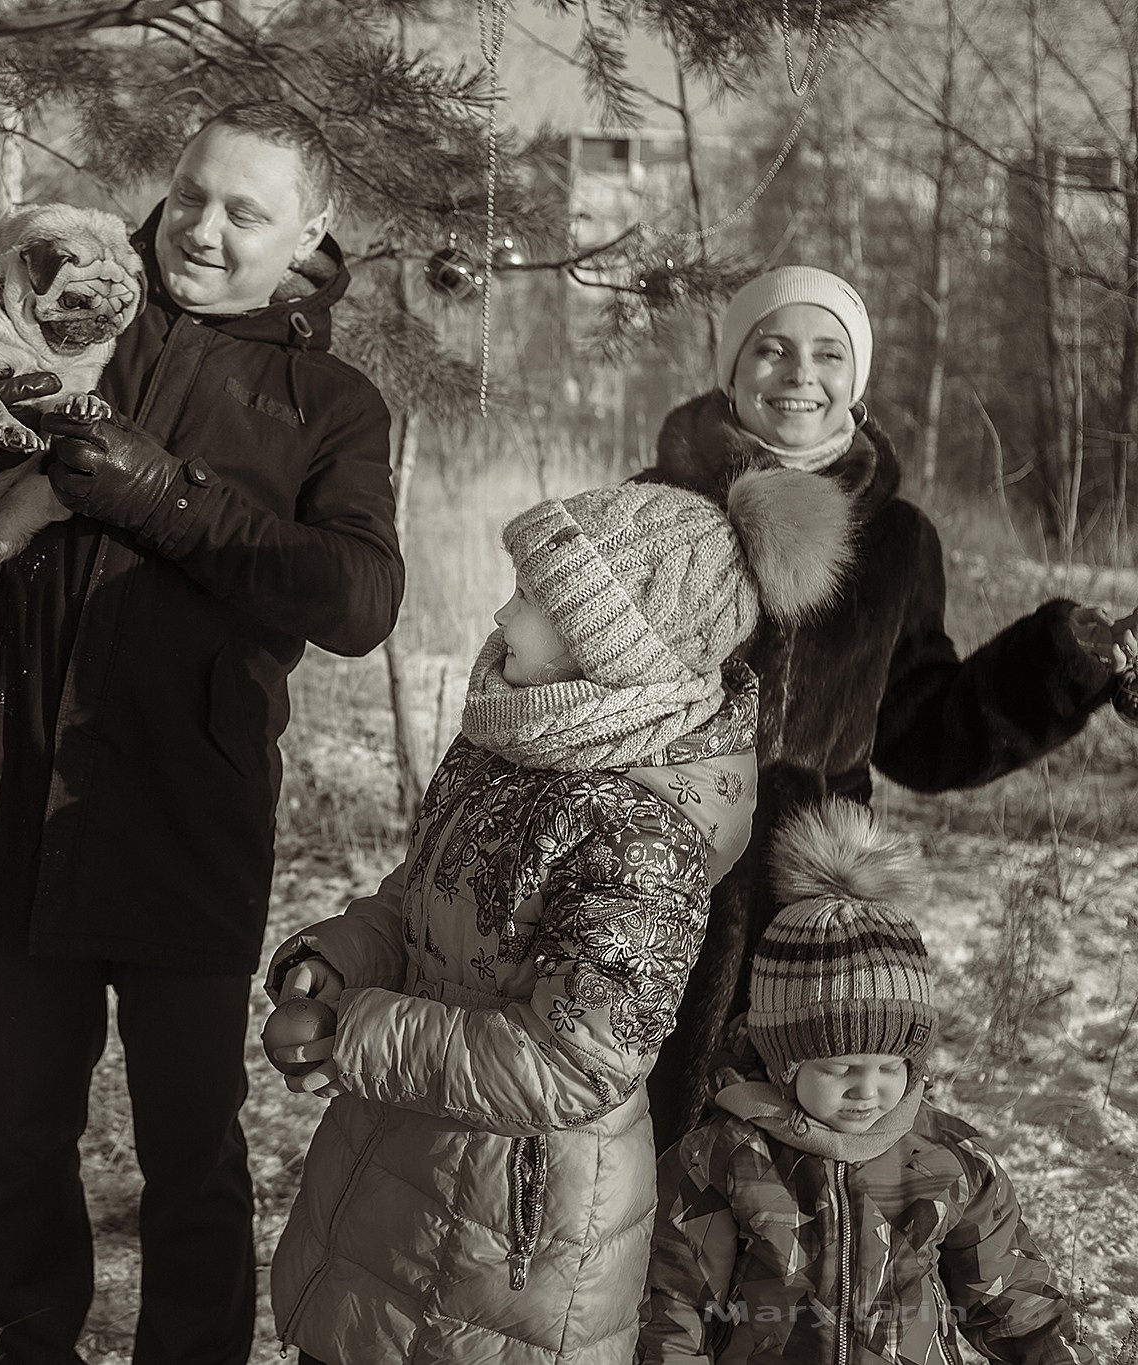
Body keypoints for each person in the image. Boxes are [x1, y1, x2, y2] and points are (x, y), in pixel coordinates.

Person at [0, 101, 403, 1364]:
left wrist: (159, 493)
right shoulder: (69, 290)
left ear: (308, 232)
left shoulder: (326, 401)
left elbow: (360, 601)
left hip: (178, 809)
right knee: (17, 1121)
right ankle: (23, 1342)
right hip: (7, 781)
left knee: (188, 1136)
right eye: (191, 194)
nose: (200, 229)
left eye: (244, 213)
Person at [264, 468, 851, 1365]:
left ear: (608, 646)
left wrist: (358, 1032)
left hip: (509, 1240)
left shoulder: (643, 834)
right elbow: (426, 894)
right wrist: (343, 959)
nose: (502, 616)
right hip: (401, 1164)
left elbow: (572, 1061)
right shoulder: (513, 741)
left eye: (531, 596)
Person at [639, 265, 1138, 1148]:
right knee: (628, 1172)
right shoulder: (653, 509)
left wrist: (1063, 664)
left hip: (811, 908)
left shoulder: (899, 540)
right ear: (732, 367)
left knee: (787, 1180)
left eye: (829, 353)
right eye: (773, 348)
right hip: (644, 880)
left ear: (856, 383)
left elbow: (923, 731)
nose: (800, 374)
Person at [641, 799, 1094, 1365]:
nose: (868, 1090)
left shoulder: (946, 1161)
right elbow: (676, 1304)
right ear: (786, 1063)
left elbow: (1008, 1296)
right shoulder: (723, 1158)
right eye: (840, 1069)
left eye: (891, 1067)